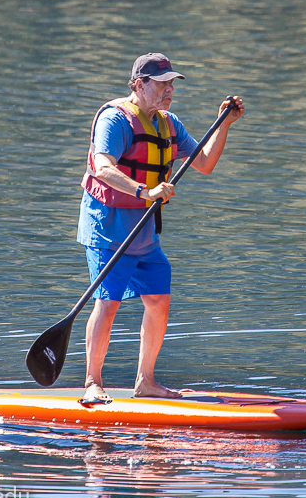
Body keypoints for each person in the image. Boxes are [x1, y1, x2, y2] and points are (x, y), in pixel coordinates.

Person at [77, 53, 244, 403]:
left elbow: (205, 163)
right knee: (108, 303)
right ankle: (92, 382)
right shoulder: (115, 120)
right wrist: (145, 191)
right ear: (140, 85)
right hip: (108, 228)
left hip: (144, 233)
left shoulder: (169, 124)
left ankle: (146, 381)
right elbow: (102, 168)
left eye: (172, 84)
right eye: (163, 83)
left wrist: (224, 124)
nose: (170, 90)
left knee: (158, 300)